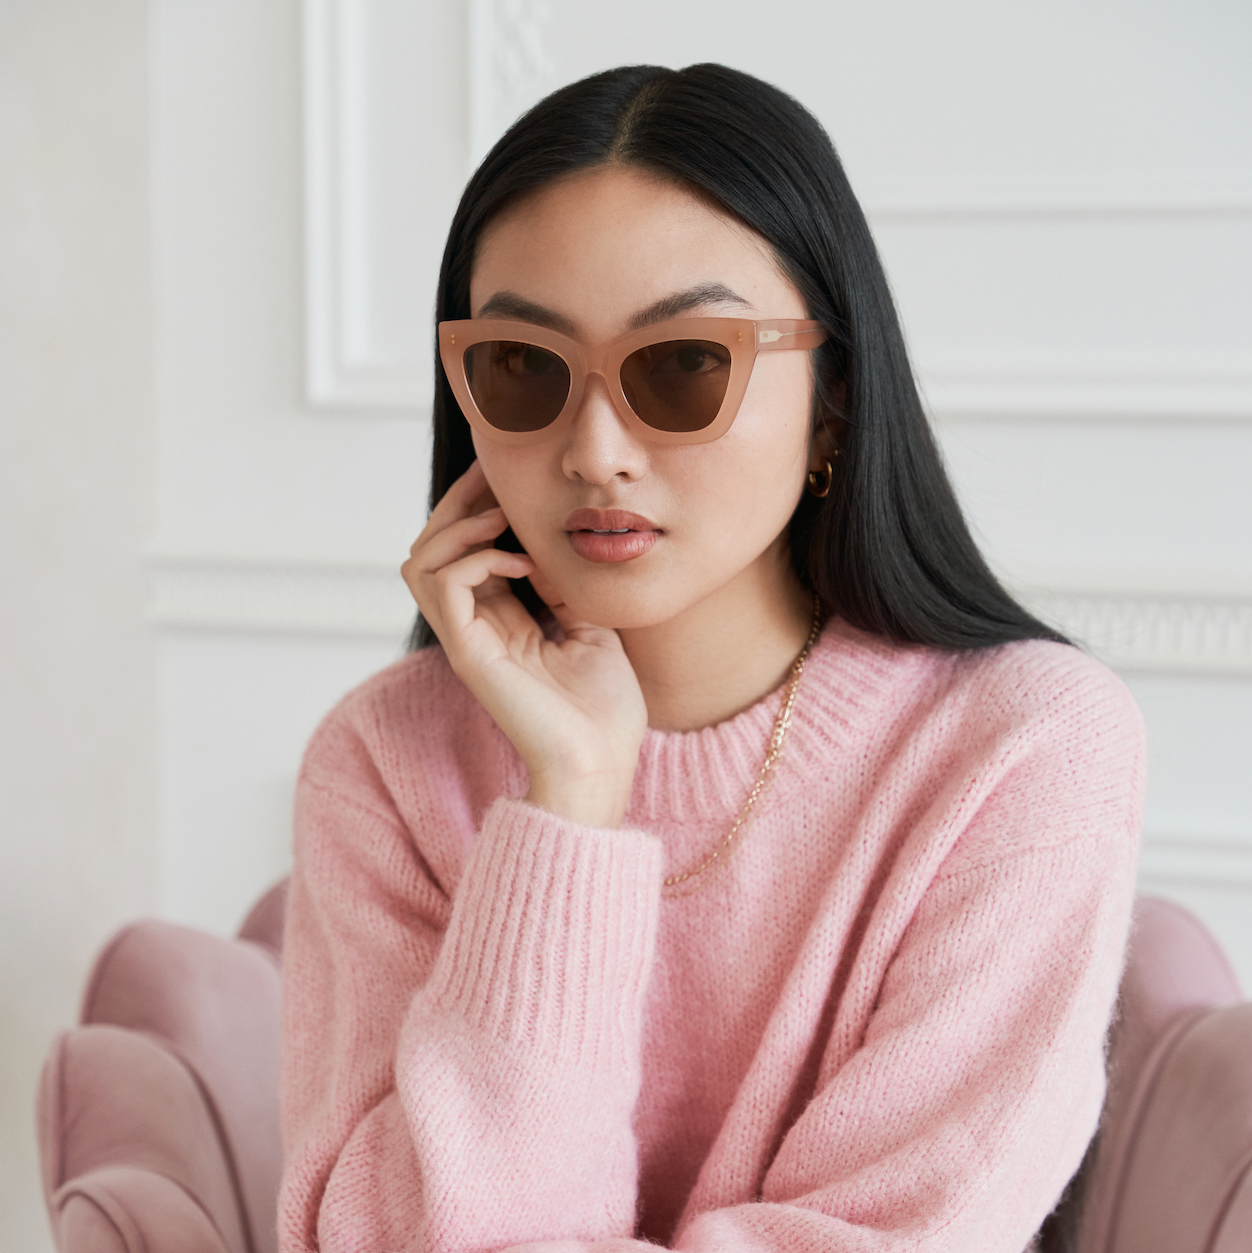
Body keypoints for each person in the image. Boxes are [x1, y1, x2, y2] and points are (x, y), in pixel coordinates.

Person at [277, 64, 1144, 1253]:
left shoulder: (1022, 746)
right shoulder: (383, 760)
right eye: (523, 366)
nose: (594, 450)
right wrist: (573, 800)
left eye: (683, 363)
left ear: (832, 398)